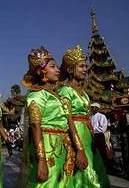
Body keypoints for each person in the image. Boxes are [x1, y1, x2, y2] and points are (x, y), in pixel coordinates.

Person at [17, 46, 87, 187]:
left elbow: (68, 122)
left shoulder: (58, 96)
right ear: (41, 71)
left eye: (57, 66)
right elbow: (35, 126)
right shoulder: (37, 95)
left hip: (64, 147)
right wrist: (41, 159)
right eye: (53, 67)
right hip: (48, 147)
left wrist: (78, 149)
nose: (58, 70)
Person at [57, 45, 105, 187]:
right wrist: (79, 148)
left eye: (86, 66)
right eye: (81, 66)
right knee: (79, 177)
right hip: (74, 137)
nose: (85, 69)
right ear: (71, 69)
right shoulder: (65, 91)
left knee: (94, 176)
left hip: (88, 136)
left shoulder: (84, 93)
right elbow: (68, 120)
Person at [91, 103, 109, 170]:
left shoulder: (102, 116)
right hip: (92, 135)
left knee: (102, 152)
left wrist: (92, 129)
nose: (91, 109)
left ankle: (105, 167)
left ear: (97, 108)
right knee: (94, 152)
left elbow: (103, 128)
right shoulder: (90, 116)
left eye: (93, 107)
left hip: (99, 136)